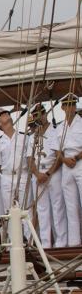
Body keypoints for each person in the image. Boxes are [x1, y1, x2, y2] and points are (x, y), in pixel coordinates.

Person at [27, 106, 68, 248]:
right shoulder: (32, 137)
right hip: (38, 174)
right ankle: (45, 243)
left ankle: (61, 242)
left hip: (53, 173)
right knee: (42, 210)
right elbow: (29, 159)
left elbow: (59, 157)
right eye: (36, 115)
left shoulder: (56, 131)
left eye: (42, 114)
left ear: (45, 114)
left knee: (58, 207)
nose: (40, 117)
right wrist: (37, 174)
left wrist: (48, 173)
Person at [0, 109, 31, 213]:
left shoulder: (25, 137)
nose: (6, 114)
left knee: (26, 211)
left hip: (23, 175)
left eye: (7, 114)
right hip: (7, 178)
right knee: (8, 211)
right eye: (3, 115)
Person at [60, 94, 82, 246]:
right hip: (66, 165)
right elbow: (57, 149)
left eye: (73, 104)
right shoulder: (60, 127)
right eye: (68, 105)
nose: (71, 108)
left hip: (79, 162)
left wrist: (77, 157)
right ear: (62, 107)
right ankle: (74, 241)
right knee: (70, 205)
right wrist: (64, 160)